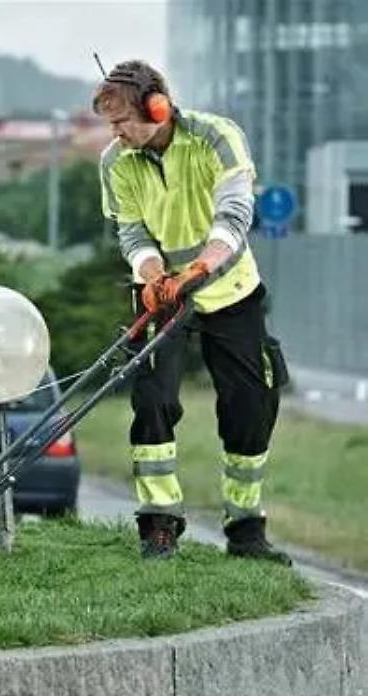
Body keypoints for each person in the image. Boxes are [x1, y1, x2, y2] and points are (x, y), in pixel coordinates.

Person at [92, 60, 290, 563]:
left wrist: (199, 268)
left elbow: (236, 215)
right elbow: (131, 231)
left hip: (231, 289)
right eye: (110, 126)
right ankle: (159, 526)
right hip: (162, 295)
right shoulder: (116, 162)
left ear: (156, 107)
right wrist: (153, 273)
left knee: (249, 405)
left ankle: (246, 531)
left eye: (122, 123)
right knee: (154, 401)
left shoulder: (217, 138)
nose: (115, 134)